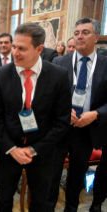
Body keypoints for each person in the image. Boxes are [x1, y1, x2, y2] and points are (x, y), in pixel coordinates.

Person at [0, 23, 71, 212]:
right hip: (9, 152)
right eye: (14, 47)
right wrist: (12, 148)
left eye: (22, 48)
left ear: (39, 49)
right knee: (4, 201)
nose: (14, 52)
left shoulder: (58, 76)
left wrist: (34, 150)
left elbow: (62, 122)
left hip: (42, 153)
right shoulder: (1, 74)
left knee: (39, 203)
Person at [46, 18, 107, 212]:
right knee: (52, 176)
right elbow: (48, 95)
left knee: (76, 179)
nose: (79, 36)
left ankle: (71, 209)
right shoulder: (58, 61)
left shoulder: (106, 63)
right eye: (76, 32)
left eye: (85, 32)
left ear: (96, 37)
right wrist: (63, 110)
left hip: (87, 131)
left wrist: (96, 114)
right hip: (60, 129)